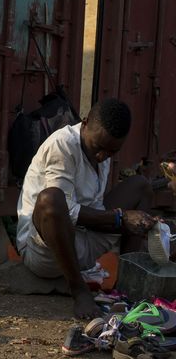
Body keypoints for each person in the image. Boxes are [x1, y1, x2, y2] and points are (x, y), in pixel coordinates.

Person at [17, 98, 156, 319]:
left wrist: (141, 221)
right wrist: (119, 219)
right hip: (45, 252)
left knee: (140, 186)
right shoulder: (62, 145)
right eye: (98, 148)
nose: (102, 156)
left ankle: (128, 287)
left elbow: (95, 208)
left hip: (84, 244)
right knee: (51, 199)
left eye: (111, 152)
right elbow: (65, 210)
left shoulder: (103, 147)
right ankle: (79, 291)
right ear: (85, 122)